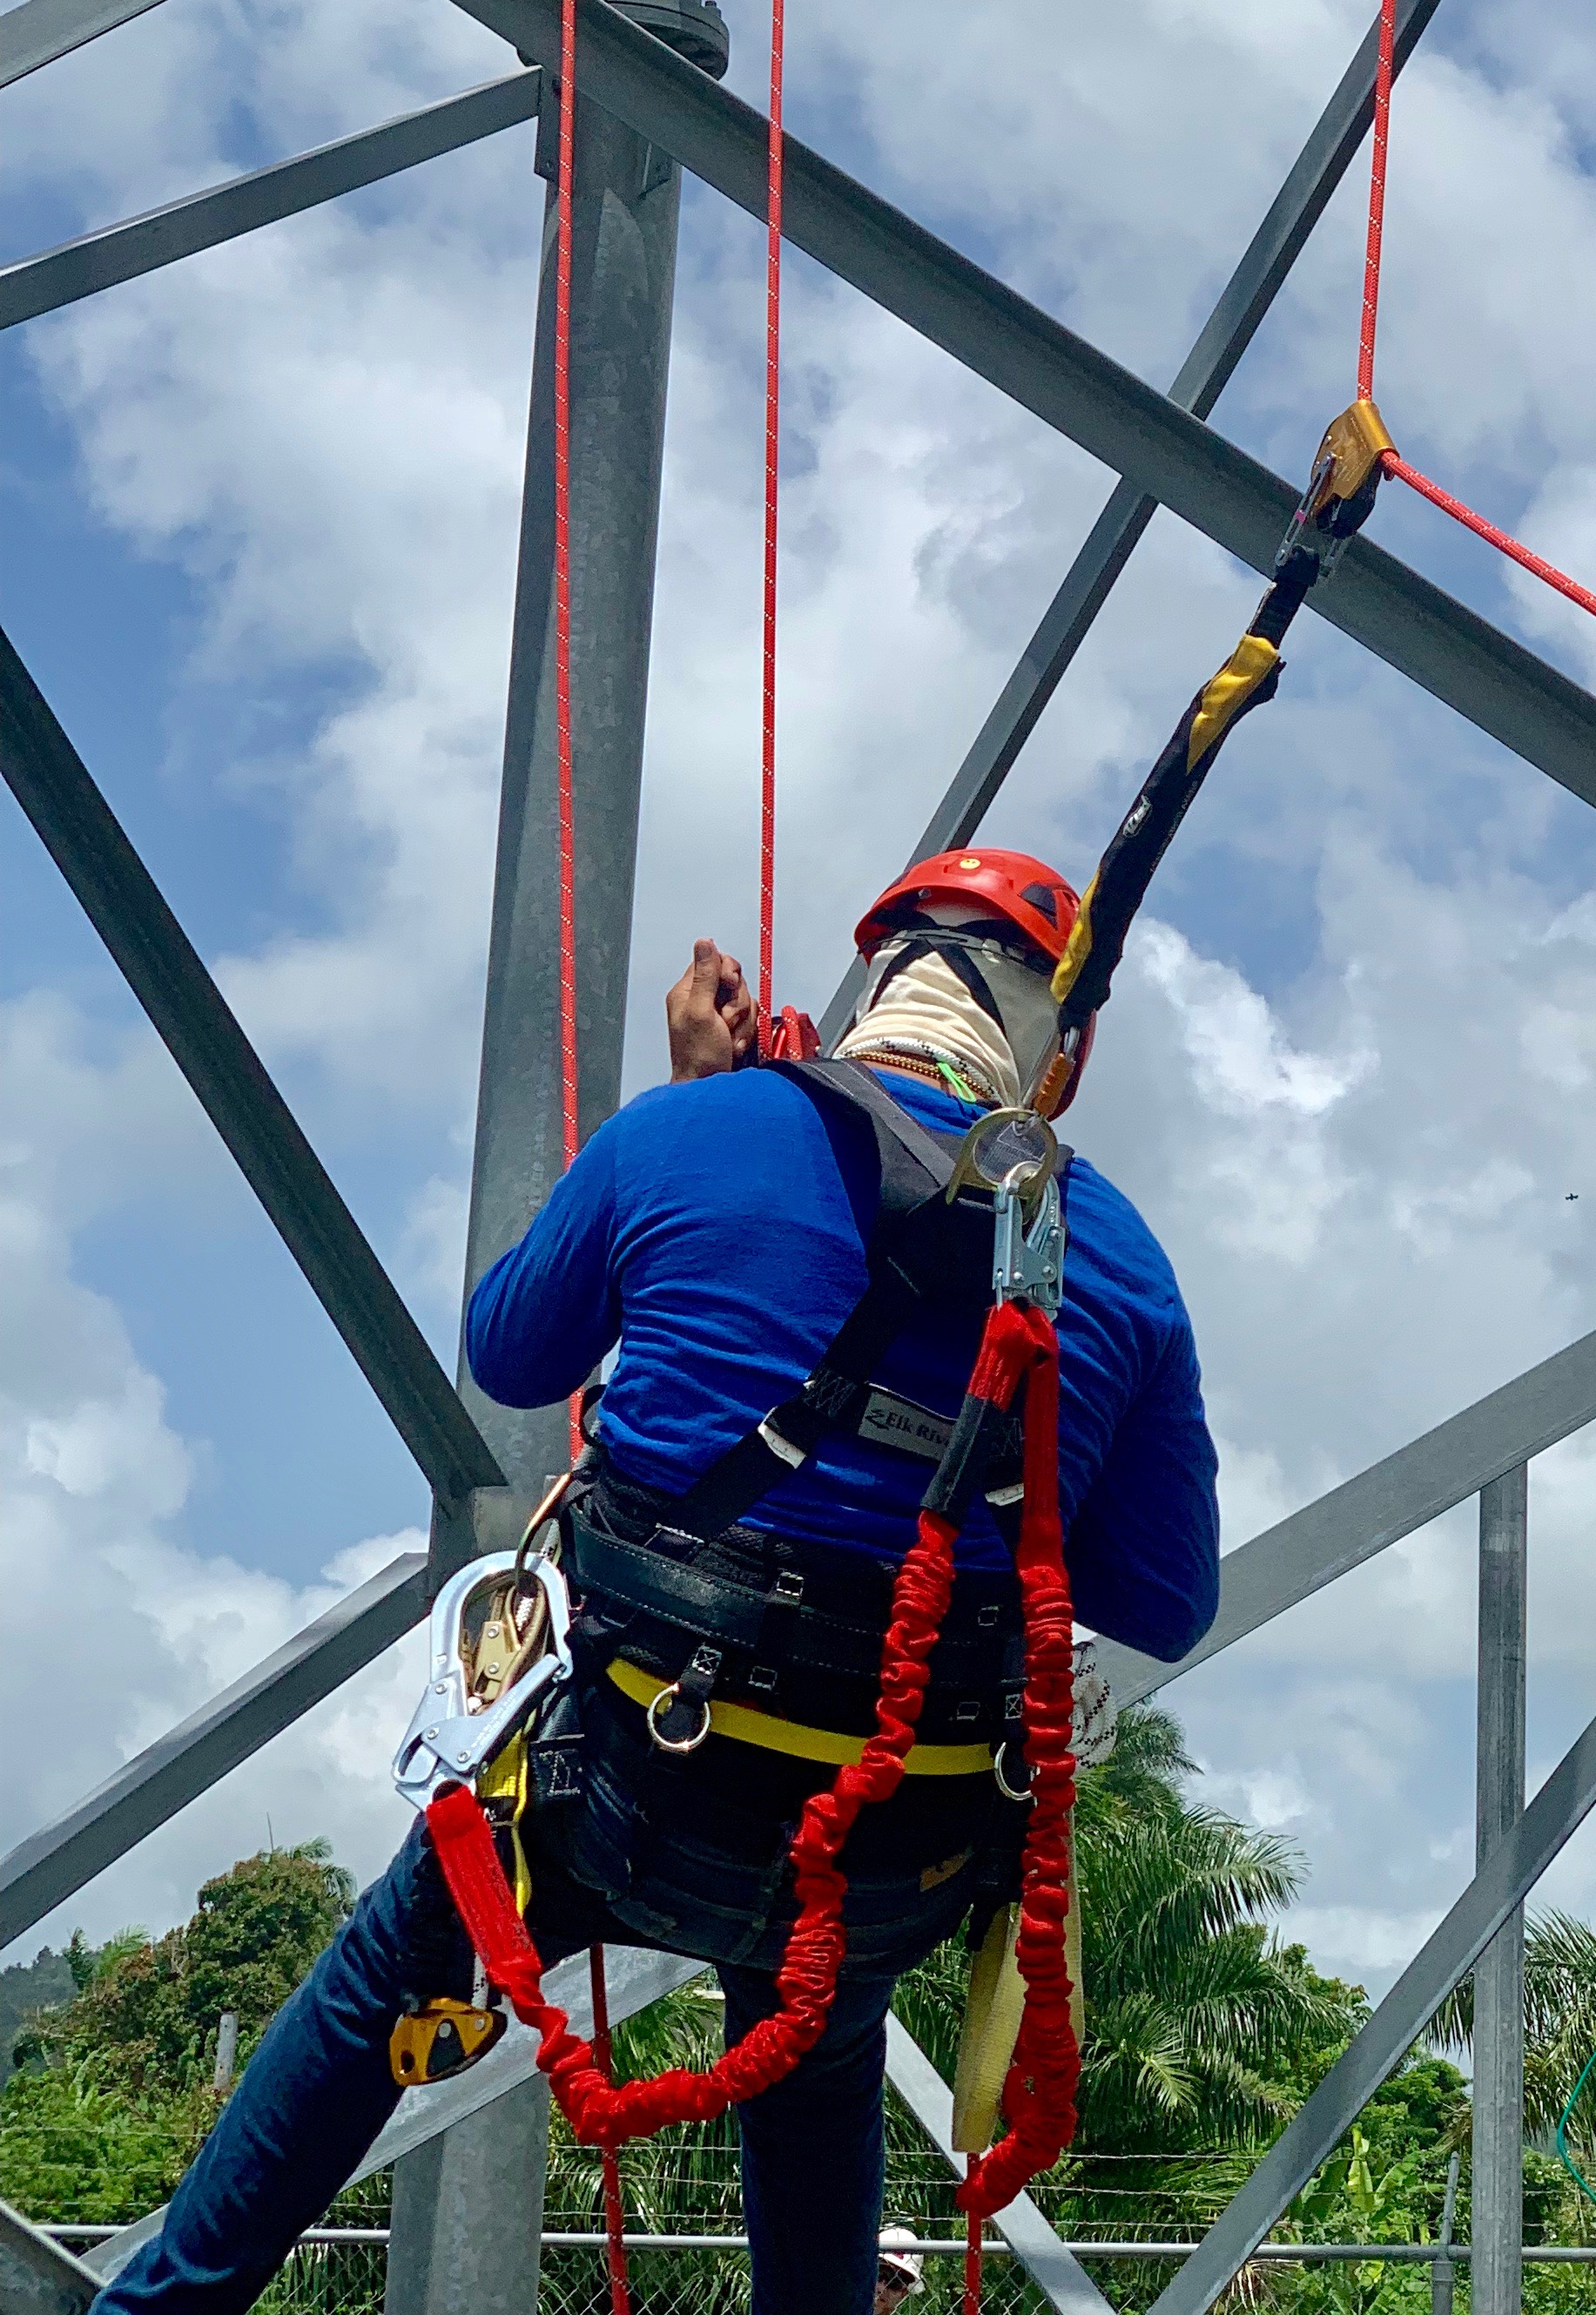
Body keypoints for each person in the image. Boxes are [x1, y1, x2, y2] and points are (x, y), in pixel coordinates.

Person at [100, 849, 1219, 2315]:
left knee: (395, 1963)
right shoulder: (1115, 1255)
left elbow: (511, 1355)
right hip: (893, 1847)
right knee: (820, 2013)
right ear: (1052, 1066)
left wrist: (692, 1105)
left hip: (635, 1779)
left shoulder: (693, 1135)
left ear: (874, 986)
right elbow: (1163, 1599)